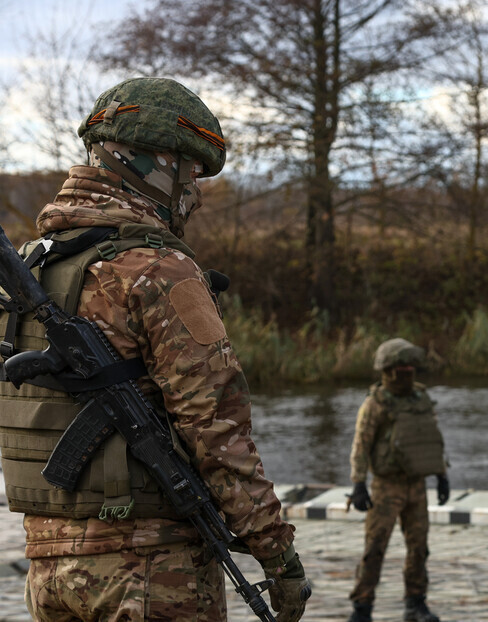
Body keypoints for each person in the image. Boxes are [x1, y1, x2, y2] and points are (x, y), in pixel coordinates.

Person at [0, 78, 309, 620]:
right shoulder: (157, 269)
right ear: (155, 166)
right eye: (191, 172)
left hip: (48, 567)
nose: (196, 190)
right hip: (149, 571)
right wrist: (277, 556)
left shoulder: (31, 264)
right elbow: (217, 431)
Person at [347, 337, 450, 622]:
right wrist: (358, 484)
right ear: (388, 369)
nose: (407, 371)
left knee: (419, 548)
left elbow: (432, 439)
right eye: (401, 366)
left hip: (417, 485)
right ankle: (362, 607)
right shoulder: (376, 404)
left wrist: (442, 475)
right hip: (385, 486)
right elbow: (361, 445)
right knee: (375, 548)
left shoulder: (421, 398)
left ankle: (415, 603)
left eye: (410, 365)